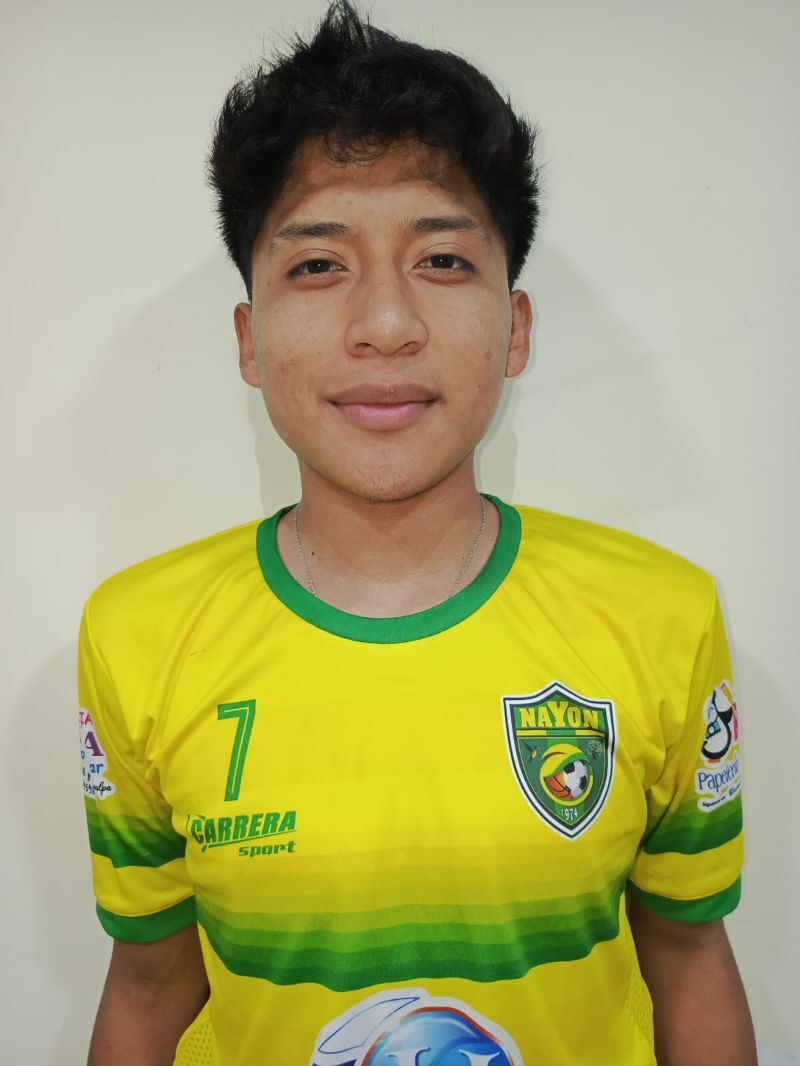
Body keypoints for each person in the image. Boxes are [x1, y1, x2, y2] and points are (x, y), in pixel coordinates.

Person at [78, 2, 757, 1063]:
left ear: (515, 327)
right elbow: (149, 981)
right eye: (318, 266)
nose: (386, 325)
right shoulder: (138, 637)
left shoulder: (661, 616)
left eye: (441, 261)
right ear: (249, 341)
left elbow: (688, 957)